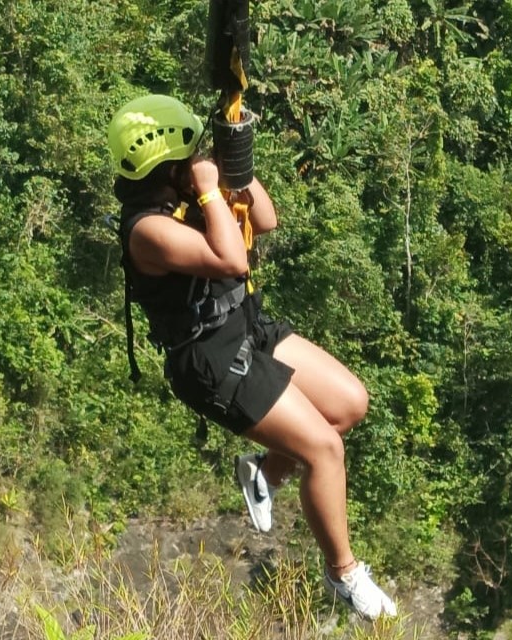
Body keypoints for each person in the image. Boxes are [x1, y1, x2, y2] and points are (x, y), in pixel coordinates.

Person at [107, 94, 397, 620]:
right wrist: (210, 190)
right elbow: (232, 258)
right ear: (168, 167)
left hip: (244, 323)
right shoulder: (146, 229)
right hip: (208, 358)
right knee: (325, 451)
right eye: (190, 154)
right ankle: (344, 574)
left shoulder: (192, 193)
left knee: (350, 403)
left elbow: (265, 220)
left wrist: (234, 158)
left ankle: (264, 471)